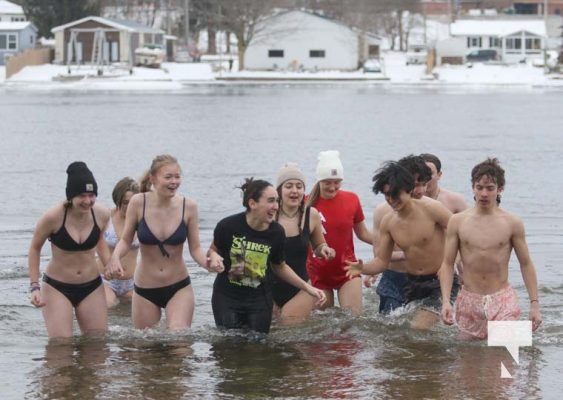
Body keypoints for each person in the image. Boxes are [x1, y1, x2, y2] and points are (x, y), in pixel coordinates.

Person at [105, 154, 214, 330]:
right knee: (147, 349)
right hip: (145, 288)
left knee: (179, 340)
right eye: (168, 177)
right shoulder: (138, 203)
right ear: (153, 179)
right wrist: (115, 257)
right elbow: (125, 240)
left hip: (178, 285)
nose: (174, 182)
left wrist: (208, 264)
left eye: (177, 176)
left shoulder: (189, 206)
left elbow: (195, 249)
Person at [207, 178, 326, 334]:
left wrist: (308, 288)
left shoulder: (276, 232)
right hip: (227, 298)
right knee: (230, 345)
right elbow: (212, 251)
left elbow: (280, 266)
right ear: (252, 203)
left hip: (259, 300)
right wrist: (214, 257)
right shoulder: (228, 226)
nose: (276, 206)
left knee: (260, 348)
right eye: (270, 201)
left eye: (276, 201)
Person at [439, 158, 542, 339]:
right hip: (469, 301)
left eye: (490, 188)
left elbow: (525, 264)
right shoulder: (458, 221)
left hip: (502, 299)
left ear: (500, 189)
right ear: (473, 188)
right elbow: (447, 264)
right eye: (479, 187)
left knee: (505, 359)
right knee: (466, 361)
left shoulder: (512, 222)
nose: (484, 193)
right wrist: (446, 302)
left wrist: (535, 305)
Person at [346, 161, 455, 329]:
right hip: (412, 283)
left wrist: (451, 263)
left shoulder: (432, 208)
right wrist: (362, 268)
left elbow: (459, 231)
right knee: (396, 332)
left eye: (395, 194)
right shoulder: (388, 222)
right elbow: (382, 261)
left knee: (418, 328)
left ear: (409, 189)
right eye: (387, 195)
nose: (391, 200)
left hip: (438, 280)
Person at [28, 161, 110, 338]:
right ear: (70, 196)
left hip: (92, 286)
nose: (88, 201)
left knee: (97, 345)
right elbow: (35, 248)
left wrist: (109, 264)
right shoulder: (52, 217)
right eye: (82, 196)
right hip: (57, 287)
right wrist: (34, 287)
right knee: (60, 347)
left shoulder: (102, 214)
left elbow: (99, 240)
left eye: (92, 195)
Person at [306, 150, 372, 316]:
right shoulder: (305, 203)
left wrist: (391, 243)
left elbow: (363, 233)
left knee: (353, 321)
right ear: (319, 180)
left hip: (347, 270)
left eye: (337, 182)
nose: (332, 187)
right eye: (327, 182)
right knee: (322, 326)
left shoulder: (352, 199)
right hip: (317, 273)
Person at [364, 155, 432, 314]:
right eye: (416, 185)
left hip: (426, 279)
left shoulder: (433, 208)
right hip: (394, 278)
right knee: (391, 331)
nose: (421, 191)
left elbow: (450, 242)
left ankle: (500, 338)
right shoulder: (383, 212)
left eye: (424, 184)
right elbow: (378, 254)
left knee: (420, 331)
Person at [272, 162, 335, 324]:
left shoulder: (311, 214)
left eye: (299, 186)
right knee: (270, 338)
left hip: (301, 287)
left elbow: (319, 245)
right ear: (279, 190)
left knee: (289, 334)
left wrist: (325, 250)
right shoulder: (270, 214)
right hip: (268, 286)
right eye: (289, 186)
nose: (294, 191)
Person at [98, 177, 140, 308]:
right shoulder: (106, 216)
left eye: (133, 202)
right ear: (118, 199)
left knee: (137, 315)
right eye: (125, 202)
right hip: (106, 279)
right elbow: (94, 243)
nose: (129, 206)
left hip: (132, 282)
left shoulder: (142, 220)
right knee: (109, 305)